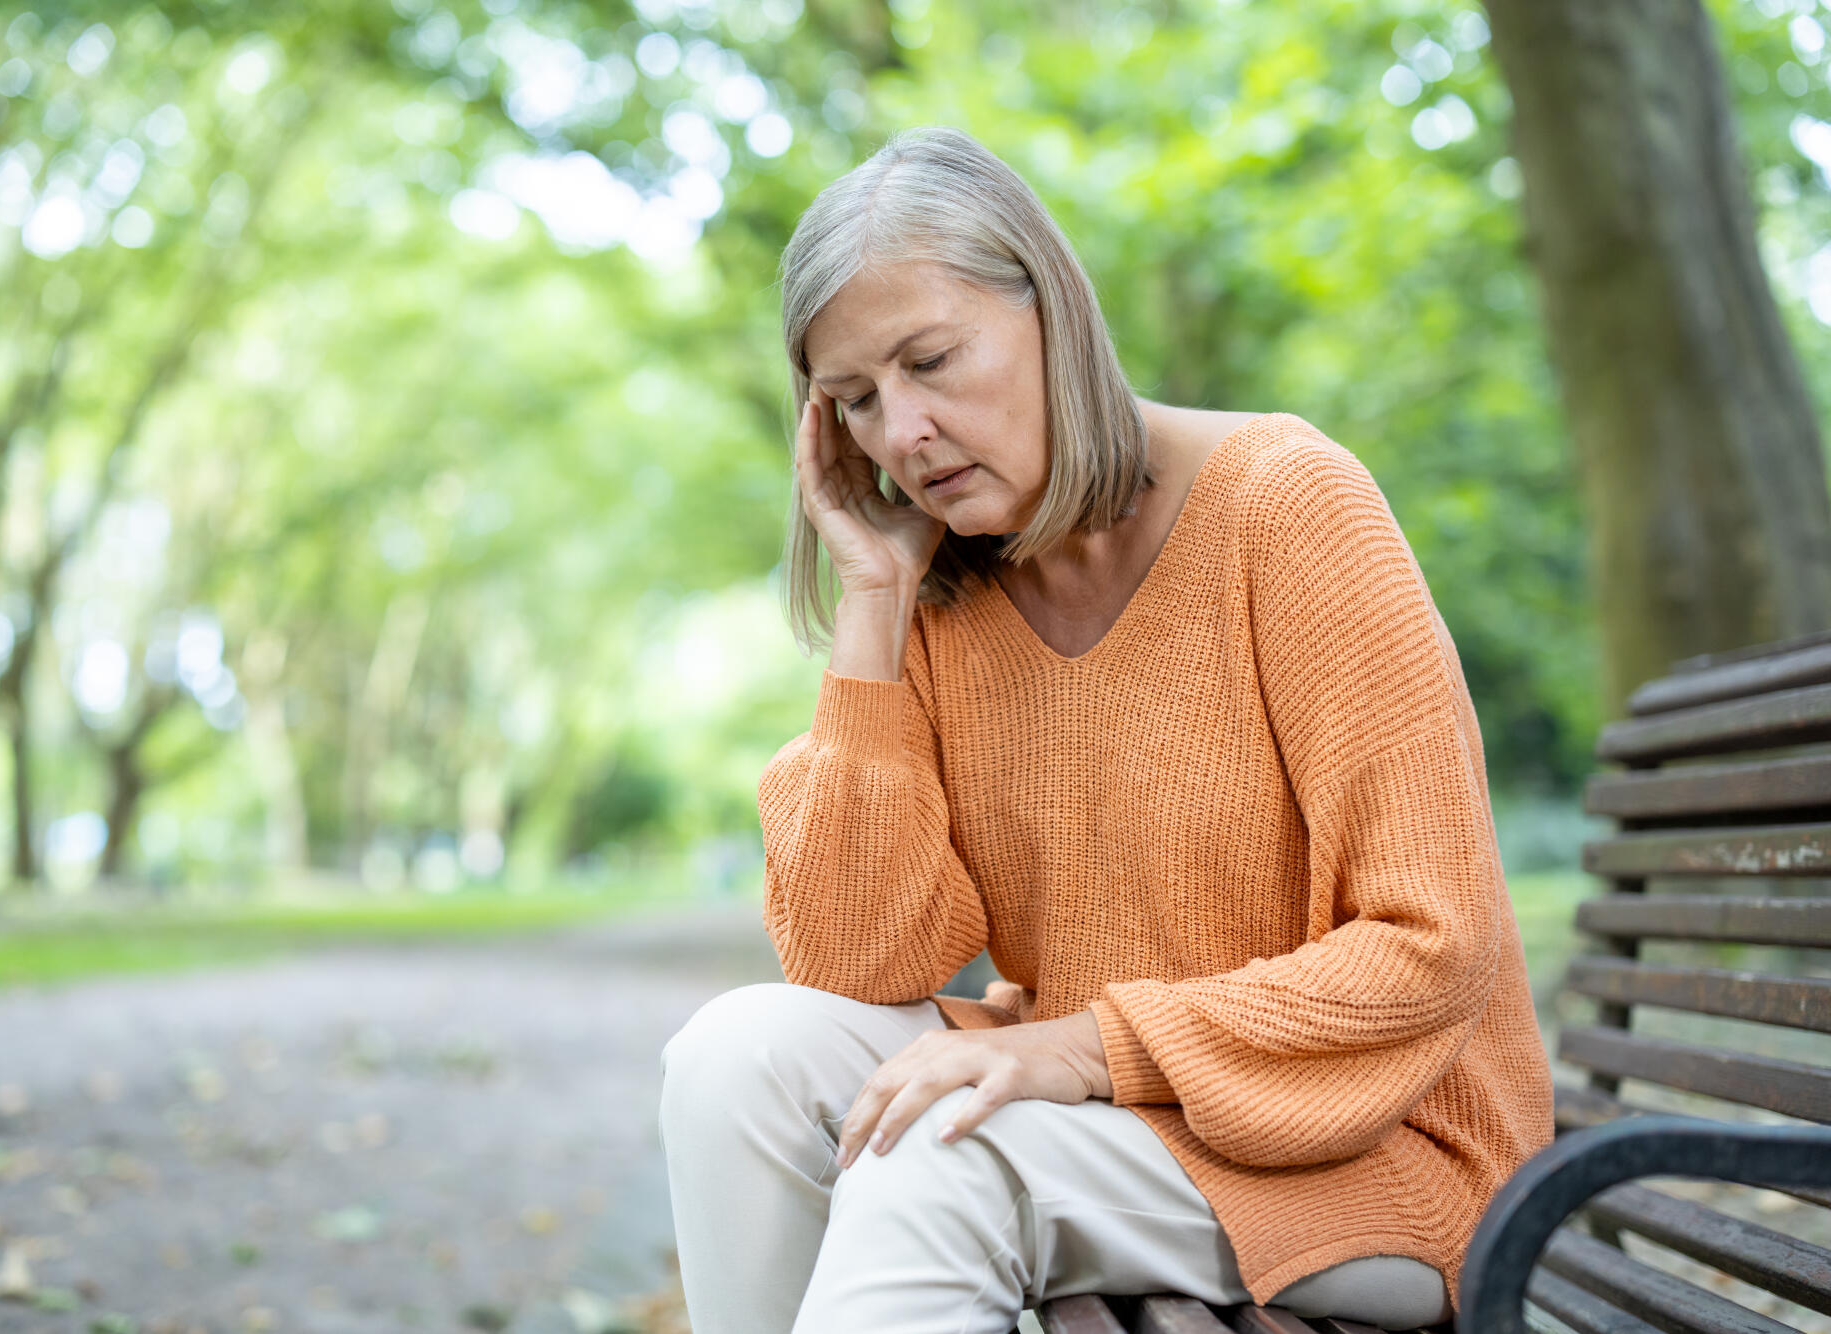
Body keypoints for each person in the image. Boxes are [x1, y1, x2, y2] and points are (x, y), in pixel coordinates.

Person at [657, 126, 1554, 1334]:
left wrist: (1077, 1049)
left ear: (1052, 314)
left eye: (930, 359)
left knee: (940, 1157)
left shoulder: (1285, 506)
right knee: (735, 1055)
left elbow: (1432, 943)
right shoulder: (939, 590)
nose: (902, 434)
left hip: (1379, 1151)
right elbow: (856, 959)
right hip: (1118, 1121)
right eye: (855, 400)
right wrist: (869, 604)